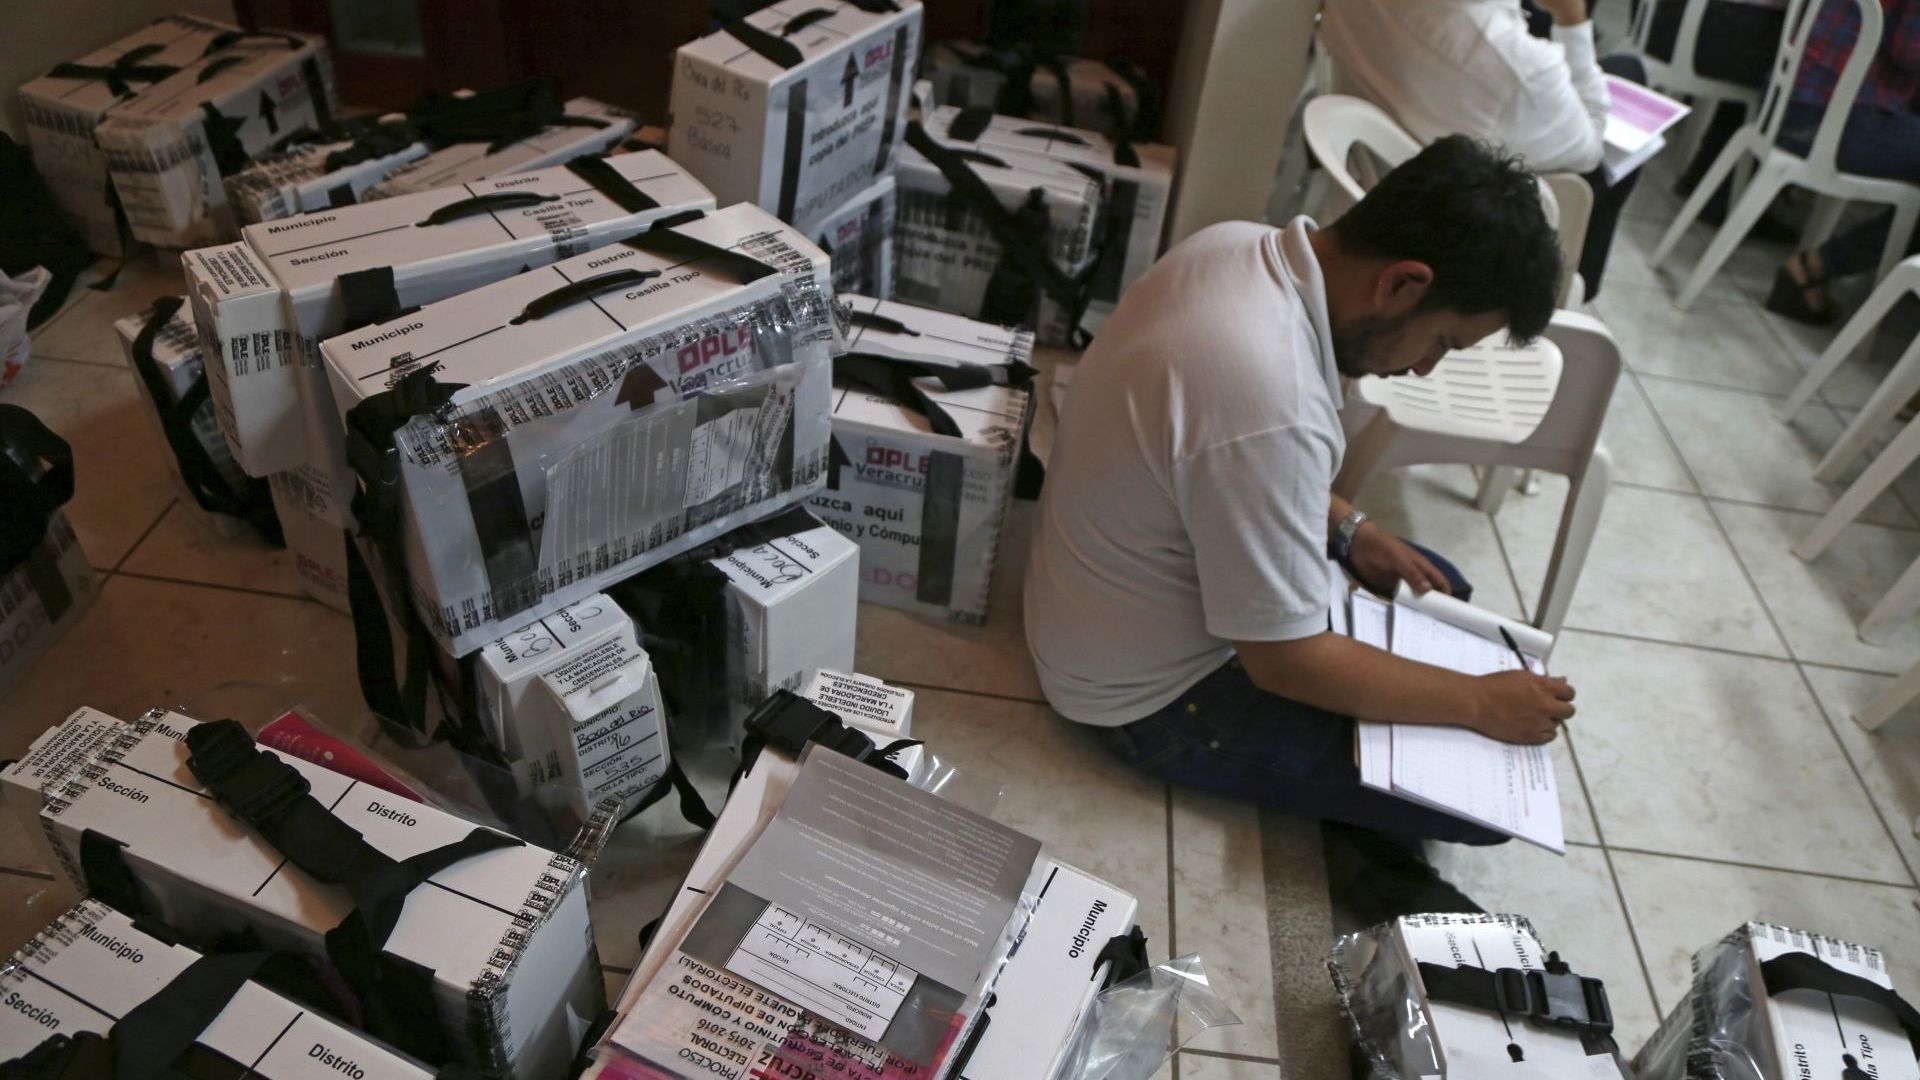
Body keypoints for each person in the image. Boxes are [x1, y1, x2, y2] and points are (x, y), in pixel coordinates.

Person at [1025, 136, 1577, 855]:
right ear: (1403, 284)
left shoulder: (1237, 246)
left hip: (1096, 599)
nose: (1425, 370)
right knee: (1484, 806)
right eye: (1442, 341)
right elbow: (1284, 663)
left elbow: (1215, 459)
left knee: (1439, 585)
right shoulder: (1271, 397)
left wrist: (1349, 529)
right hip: (1144, 700)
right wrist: (1477, 705)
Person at [1318, 0, 1646, 301]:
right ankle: (1564, 295)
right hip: (1456, 235)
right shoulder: (1517, 67)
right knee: (1621, 102)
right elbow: (1589, 149)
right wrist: (1572, 20)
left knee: (1620, 71)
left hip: (1374, 174)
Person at [1767, 0, 1920, 325]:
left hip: (1791, 101)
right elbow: (1910, 51)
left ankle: (1823, 265)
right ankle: (1821, 265)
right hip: (1832, 120)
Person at [1642, 0, 1791, 224]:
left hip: (1662, 17)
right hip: (1705, 29)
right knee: (1793, 70)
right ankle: (1725, 194)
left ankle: (1714, 183)